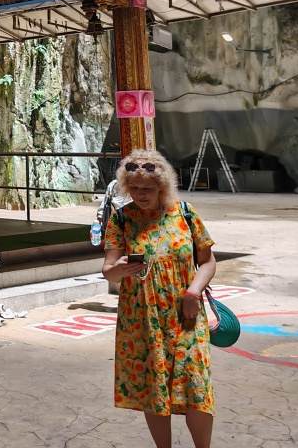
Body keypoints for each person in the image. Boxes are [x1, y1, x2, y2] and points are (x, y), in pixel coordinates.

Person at [102, 150, 217, 448]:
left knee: (197, 387)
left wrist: (193, 292)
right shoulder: (122, 219)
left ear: (162, 187)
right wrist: (121, 269)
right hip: (142, 319)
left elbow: (207, 262)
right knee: (154, 390)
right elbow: (108, 272)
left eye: (148, 189)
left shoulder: (185, 214)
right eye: (135, 188)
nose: (141, 194)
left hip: (186, 316)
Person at [93, 175, 131, 245]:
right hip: (124, 222)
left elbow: (104, 205)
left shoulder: (113, 184)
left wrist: (98, 223)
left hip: (115, 221)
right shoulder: (113, 184)